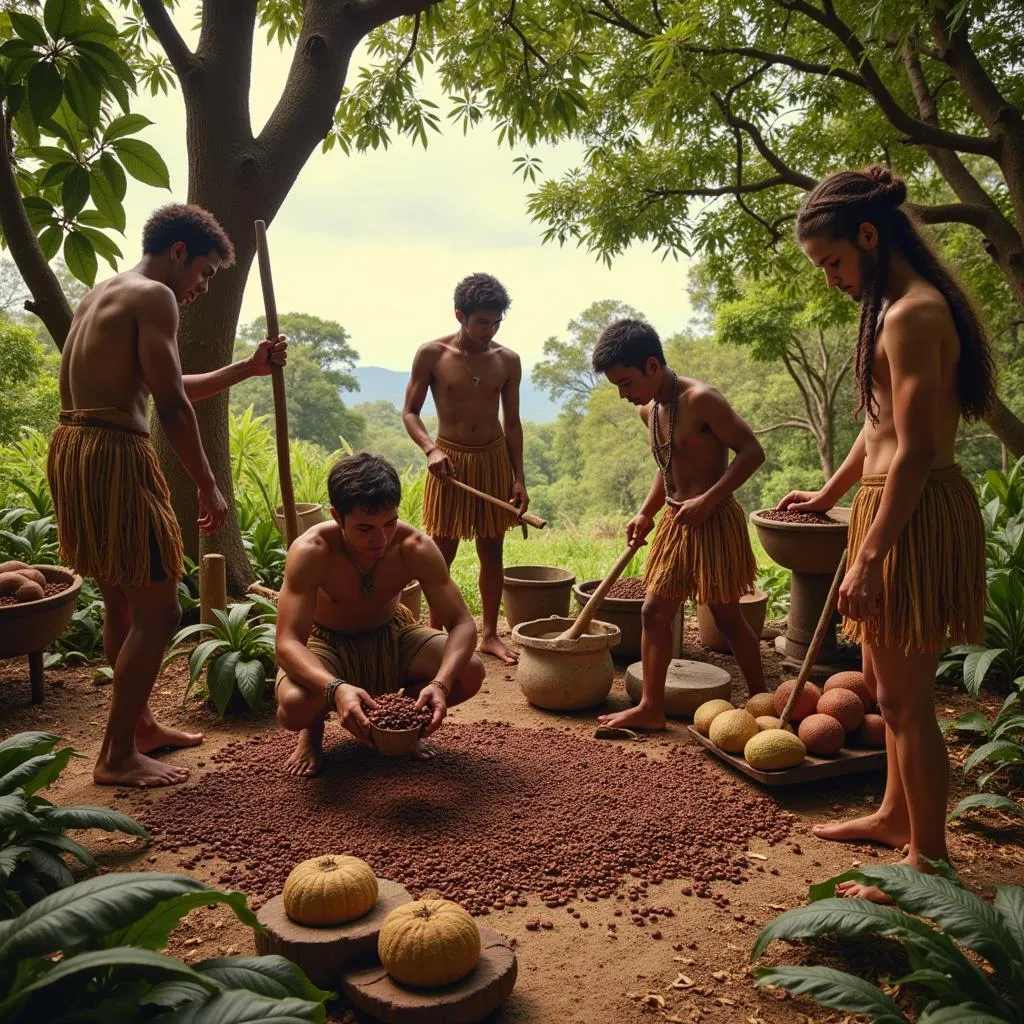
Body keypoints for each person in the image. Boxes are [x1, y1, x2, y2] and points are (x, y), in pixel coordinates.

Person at [777, 165, 992, 902]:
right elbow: (879, 428)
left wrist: (867, 557)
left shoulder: (913, 313)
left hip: (915, 515)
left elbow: (916, 450)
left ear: (869, 236)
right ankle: (896, 814)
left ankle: (928, 859)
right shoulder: (895, 305)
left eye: (833, 262)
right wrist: (830, 495)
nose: (831, 279)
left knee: (906, 700)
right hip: (885, 506)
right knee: (882, 688)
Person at [47, 203, 287, 788]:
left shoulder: (104, 292)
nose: (202, 287)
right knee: (157, 612)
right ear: (178, 253)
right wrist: (208, 483)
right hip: (114, 459)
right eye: (204, 272)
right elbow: (172, 408)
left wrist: (244, 370)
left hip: (77, 450)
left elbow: (165, 384)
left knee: (122, 603)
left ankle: (141, 727)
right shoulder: (155, 297)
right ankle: (116, 756)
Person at [591, 319, 767, 730]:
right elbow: (666, 464)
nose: (623, 394)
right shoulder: (648, 409)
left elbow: (751, 452)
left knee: (725, 617)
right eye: (617, 385)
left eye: (626, 382)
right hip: (675, 520)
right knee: (654, 613)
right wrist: (646, 511)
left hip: (713, 519)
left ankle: (762, 699)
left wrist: (708, 500)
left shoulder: (702, 400)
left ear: (652, 365)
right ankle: (651, 708)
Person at [275, 453, 484, 776]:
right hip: (327, 644)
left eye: (390, 523)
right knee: (294, 706)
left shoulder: (414, 546)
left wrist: (441, 685)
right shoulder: (312, 551)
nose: (380, 539)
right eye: (364, 528)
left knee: (469, 670)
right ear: (337, 516)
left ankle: (406, 722)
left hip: (392, 634)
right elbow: (288, 643)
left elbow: (462, 624)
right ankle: (312, 732)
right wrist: (335, 689)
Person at [402, 272, 527, 665]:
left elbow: (513, 424)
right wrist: (430, 450)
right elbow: (410, 413)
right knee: (440, 554)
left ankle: (489, 634)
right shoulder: (432, 355)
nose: (489, 331)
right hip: (448, 464)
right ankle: (435, 637)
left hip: (493, 460)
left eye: (496, 323)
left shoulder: (507, 360)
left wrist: (519, 478)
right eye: (481, 322)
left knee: (493, 549)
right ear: (460, 315)